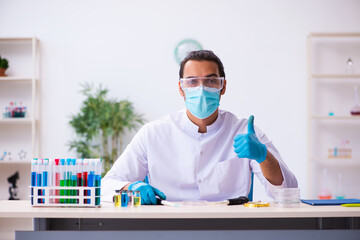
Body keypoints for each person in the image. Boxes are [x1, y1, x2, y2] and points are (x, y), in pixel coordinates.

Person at [102, 50, 298, 204]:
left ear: (223, 86)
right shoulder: (152, 134)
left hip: (230, 228)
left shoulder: (245, 131)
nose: (202, 88)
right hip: (166, 227)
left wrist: (264, 157)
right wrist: (131, 187)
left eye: (211, 81)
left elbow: (288, 193)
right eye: (192, 81)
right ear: (181, 88)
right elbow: (107, 186)